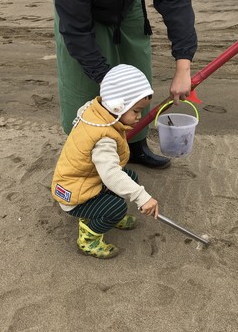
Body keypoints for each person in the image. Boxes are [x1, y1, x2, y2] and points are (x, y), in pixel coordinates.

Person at [53, 0, 198, 169]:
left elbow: (176, 2)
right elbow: (76, 30)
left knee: (137, 74)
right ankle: (85, 151)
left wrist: (184, 66)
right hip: (80, 10)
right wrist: (110, 81)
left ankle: (135, 144)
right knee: (85, 82)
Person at [51, 64, 159, 259]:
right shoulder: (104, 139)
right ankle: (88, 239)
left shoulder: (95, 111)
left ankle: (105, 213)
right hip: (74, 195)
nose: (139, 117)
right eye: (135, 111)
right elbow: (110, 174)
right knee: (117, 207)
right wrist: (142, 197)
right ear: (117, 106)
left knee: (130, 176)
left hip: (84, 180)